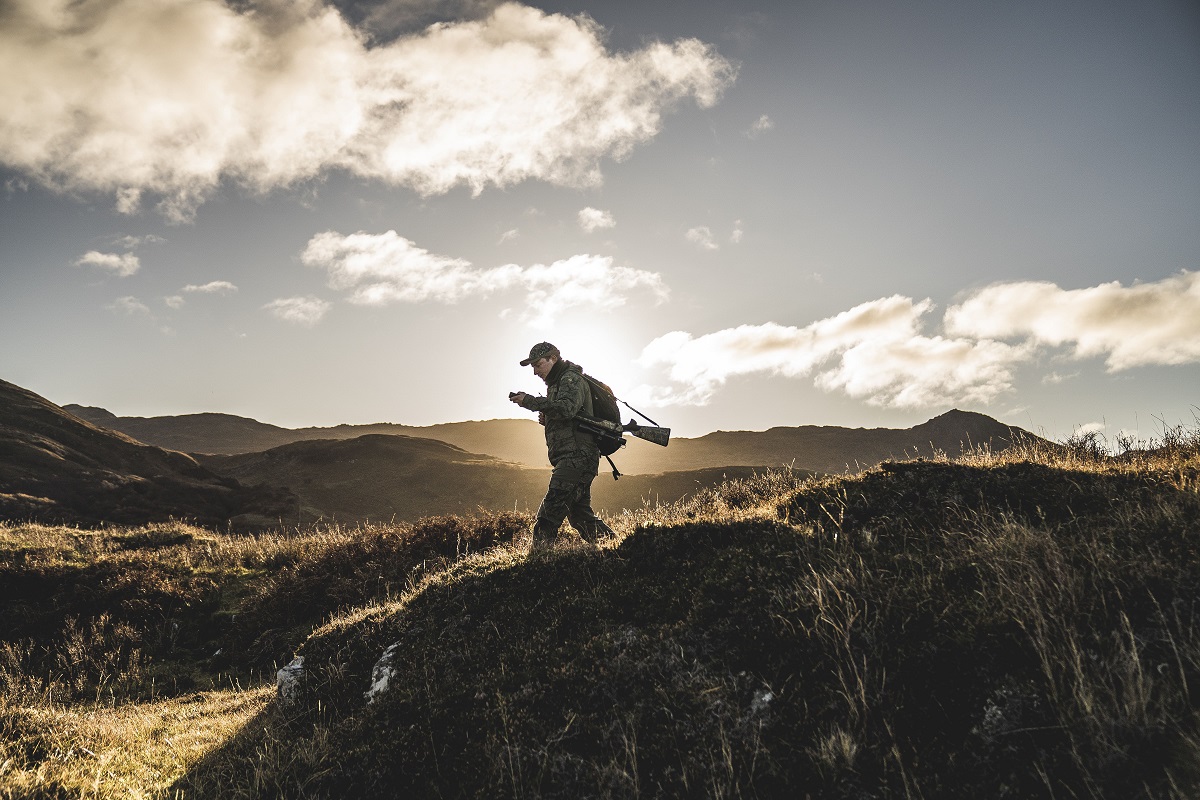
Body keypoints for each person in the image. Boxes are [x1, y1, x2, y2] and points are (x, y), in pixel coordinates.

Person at [509, 342, 615, 551]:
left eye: (538, 365)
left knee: (549, 513)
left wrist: (529, 401)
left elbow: (566, 409)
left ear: (553, 359)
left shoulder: (570, 379)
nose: (535, 371)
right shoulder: (557, 384)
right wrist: (547, 418)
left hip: (577, 456)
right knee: (579, 515)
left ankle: (538, 559)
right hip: (575, 456)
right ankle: (618, 547)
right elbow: (568, 415)